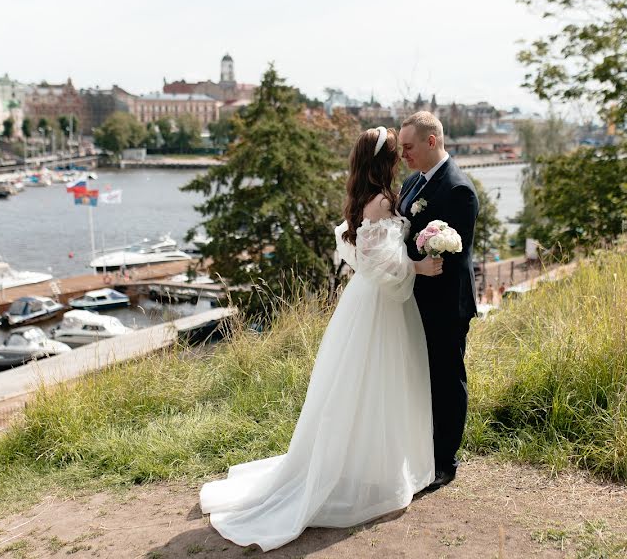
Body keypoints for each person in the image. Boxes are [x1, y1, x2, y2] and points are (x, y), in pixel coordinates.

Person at [199, 127, 443, 551]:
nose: (401, 156)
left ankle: (367, 464)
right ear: (383, 161)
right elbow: (375, 261)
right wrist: (418, 268)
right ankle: (376, 472)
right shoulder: (383, 201)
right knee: (381, 383)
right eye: (395, 151)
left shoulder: (365, 198)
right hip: (380, 305)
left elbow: (371, 256)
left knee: (361, 386)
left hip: (364, 303)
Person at [398, 111, 479, 491]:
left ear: (432, 142)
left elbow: (453, 257)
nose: (403, 155)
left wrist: (413, 264)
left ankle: (445, 461)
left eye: (409, 147)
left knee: (447, 381)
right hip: (413, 301)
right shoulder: (413, 182)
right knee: (419, 380)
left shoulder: (458, 189)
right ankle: (421, 451)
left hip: (446, 305)